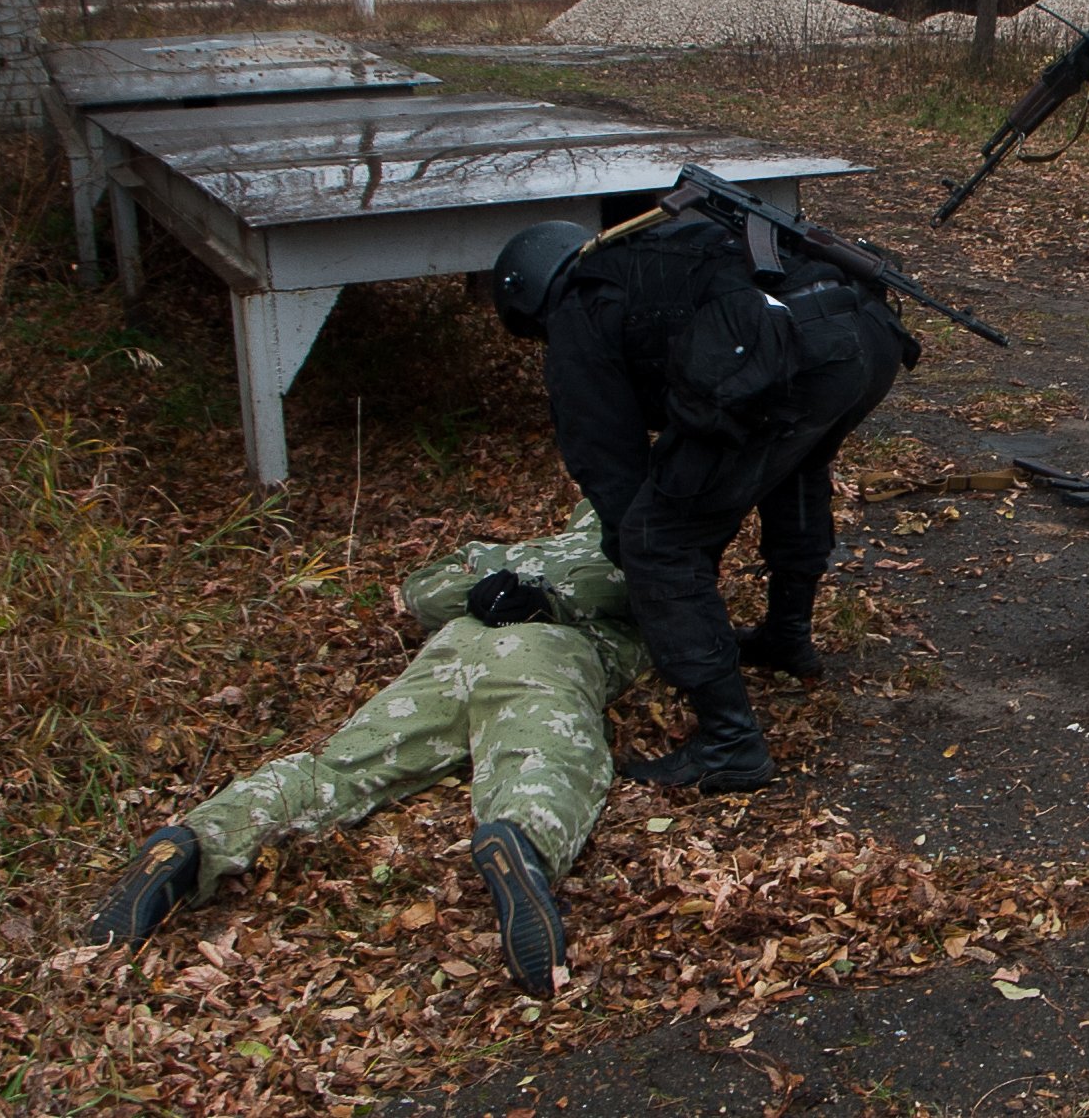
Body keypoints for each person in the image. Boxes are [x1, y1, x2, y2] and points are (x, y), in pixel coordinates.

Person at [84, 505, 641, 993]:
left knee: (341, 767)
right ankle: (521, 840)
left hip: (454, 648)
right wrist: (525, 594)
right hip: (542, 650)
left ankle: (195, 840)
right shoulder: (636, 551)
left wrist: (492, 585)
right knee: (545, 750)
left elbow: (423, 590)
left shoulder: (507, 551)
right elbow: (647, 591)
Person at [491, 205, 914, 792]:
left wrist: (656, 575)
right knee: (793, 466)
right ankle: (786, 637)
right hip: (864, 334)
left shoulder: (580, 306)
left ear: (527, 299)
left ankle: (730, 742)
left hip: (795, 351)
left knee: (654, 539)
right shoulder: (651, 254)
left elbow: (609, 467)